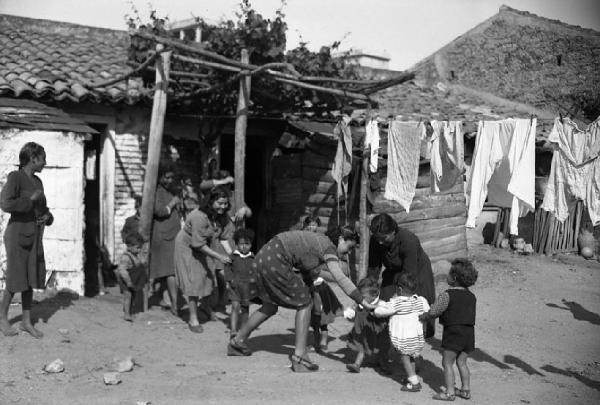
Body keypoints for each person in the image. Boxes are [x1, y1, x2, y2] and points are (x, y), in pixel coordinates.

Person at [227, 226, 376, 374]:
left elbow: (309, 271)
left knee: (269, 306)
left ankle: (237, 342)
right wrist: (362, 300)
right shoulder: (328, 247)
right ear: (341, 239)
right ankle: (299, 357)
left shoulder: (316, 242)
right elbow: (339, 276)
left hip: (263, 257)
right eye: (349, 247)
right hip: (275, 259)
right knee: (305, 303)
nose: (348, 253)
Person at [0, 142, 53, 338]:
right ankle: (2, 318)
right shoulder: (16, 178)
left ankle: (26, 322)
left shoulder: (38, 182)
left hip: (35, 236)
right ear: (32, 158)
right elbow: (5, 203)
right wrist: (29, 201)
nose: (45, 163)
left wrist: (47, 217)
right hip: (17, 236)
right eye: (43, 158)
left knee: (31, 278)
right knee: (15, 278)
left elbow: (43, 209)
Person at [174, 187, 233, 333]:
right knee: (193, 280)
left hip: (204, 246)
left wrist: (232, 254)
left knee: (207, 277)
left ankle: (205, 306)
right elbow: (197, 244)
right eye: (219, 203)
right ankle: (193, 318)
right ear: (211, 201)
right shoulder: (199, 216)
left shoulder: (223, 217)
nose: (223, 207)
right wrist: (219, 257)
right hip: (187, 247)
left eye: (225, 204)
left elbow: (224, 238)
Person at [368, 213, 436, 337]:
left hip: (417, 271)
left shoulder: (408, 240)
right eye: (378, 238)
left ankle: (420, 331)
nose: (380, 242)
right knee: (385, 300)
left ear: (393, 231)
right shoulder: (375, 241)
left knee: (415, 302)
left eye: (384, 238)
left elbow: (409, 273)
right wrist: (369, 290)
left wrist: (396, 298)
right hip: (393, 270)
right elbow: (373, 267)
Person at [420, 258, 478, 401]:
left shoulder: (447, 295)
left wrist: (424, 316)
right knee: (462, 363)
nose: (447, 276)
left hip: (454, 333)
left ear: (455, 278)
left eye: (449, 273)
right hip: (469, 334)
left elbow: (435, 311)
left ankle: (449, 392)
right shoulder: (472, 297)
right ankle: (465, 390)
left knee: (447, 363)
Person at [374, 273, 430, 392]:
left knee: (405, 357)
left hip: (405, 338)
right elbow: (427, 309)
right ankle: (411, 376)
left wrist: (379, 305)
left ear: (399, 289)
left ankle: (414, 383)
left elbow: (380, 312)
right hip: (417, 337)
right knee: (413, 356)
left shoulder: (396, 302)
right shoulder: (420, 300)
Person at [302, 215, 343, 352]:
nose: (311, 227)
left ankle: (323, 341)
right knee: (314, 317)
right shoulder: (302, 239)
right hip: (309, 285)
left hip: (320, 285)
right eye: (309, 224)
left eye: (314, 225)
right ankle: (316, 342)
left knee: (322, 317)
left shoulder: (320, 243)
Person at [149, 164, 181, 315]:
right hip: (164, 236)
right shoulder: (156, 192)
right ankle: (175, 304)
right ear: (160, 177)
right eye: (166, 177)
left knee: (169, 269)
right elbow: (158, 211)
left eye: (171, 177)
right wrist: (172, 203)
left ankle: (167, 300)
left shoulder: (171, 191)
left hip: (172, 235)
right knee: (170, 270)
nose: (169, 180)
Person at [344, 277, 388, 373]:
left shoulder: (381, 304)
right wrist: (349, 313)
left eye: (363, 297)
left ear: (374, 295)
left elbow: (387, 312)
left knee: (381, 349)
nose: (360, 299)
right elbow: (350, 314)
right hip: (363, 332)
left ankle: (383, 364)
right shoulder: (358, 304)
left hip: (377, 332)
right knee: (361, 348)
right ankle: (357, 364)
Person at [225, 228, 259, 338]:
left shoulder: (253, 258)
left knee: (245, 309)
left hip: (247, 288)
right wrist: (230, 280)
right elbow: (227, 268)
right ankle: (233, 330)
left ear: (251, 244)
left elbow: (256, 272)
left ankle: (244, 329)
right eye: (241, 244)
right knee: (235, 307)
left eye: (247, 244)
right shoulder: (232, 257)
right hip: (235, 287)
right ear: (236, 244)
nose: (244, 246)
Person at [115, 231, 148, 322]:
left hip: (134, 280)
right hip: (126, 280)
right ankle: (126, 314)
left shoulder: (135, 255)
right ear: (130, 246)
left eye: (140, 248)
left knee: (133, 295)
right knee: (128, 296)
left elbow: (139, 263)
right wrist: (128, 282)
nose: (139, 250)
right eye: (138, 248)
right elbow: (122, 270)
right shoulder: (125, 257)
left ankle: (129, 310)